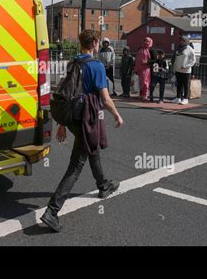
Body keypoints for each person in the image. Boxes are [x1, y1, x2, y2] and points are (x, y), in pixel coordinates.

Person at [40, 29, 124, 233]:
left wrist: (63, 123)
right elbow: (105, 98)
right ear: (95, 42)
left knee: (91, 148)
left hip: (74, 118)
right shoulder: (96, 66)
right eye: (97, 41)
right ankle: (52, 211)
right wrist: (116, 115)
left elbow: (67, 93)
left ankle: (103, 185)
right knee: (76, 165)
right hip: (87, 117)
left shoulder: (73, 63)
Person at [171, 36, 196, 105]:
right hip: (178, 70)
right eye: (181, 40)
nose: (181, 42)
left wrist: (186, 66)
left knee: (185, 85)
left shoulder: (190, 49)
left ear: (187, 41)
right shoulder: (177, 48)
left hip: (186, 71)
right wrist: (174, 68)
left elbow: (193, 60)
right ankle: (178, 98)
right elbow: (175, 59)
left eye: (183, 40)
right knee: (179, 84)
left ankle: (185, 99)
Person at [134, 37, 157, 101]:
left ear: (150, 42)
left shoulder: (152, 50)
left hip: (147, 68)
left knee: (145, 82)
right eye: (145, 41)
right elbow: (137, 58)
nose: (145, 42)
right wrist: (135, 66)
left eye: (147, 41)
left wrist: (147, 62)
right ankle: (141, 94)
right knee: (140, 82)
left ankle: (145, 95)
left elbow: (155, 59)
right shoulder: (140, 48)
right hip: (139, 68)